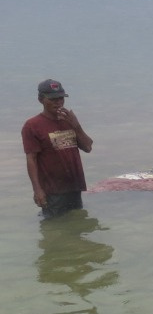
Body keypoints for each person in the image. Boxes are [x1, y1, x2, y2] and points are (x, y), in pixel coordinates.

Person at [22, 79, 93, 218]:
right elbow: (31, 159)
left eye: (61, 98)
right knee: (55, 230)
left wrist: (76, 125)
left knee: (77, 227)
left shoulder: (69, 120)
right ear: (40, 100)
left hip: (74, 187)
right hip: (52, 191)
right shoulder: (32, 125)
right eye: (53, 99)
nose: (58, 102)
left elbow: (88, 147)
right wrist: (37, 190)